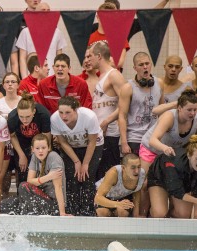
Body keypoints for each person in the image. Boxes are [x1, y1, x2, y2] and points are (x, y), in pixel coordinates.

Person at [139, 90, 197, 216]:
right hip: (152, 150)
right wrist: (164, 148)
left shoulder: (195, 120)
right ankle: (142, 215)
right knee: (143, 184)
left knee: (174, 189)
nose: (192, 113)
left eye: (195, 110)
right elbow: (153, 140)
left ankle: (169, 214)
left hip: (172, 156)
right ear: (179, 108)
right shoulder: (169, 117)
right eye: (189, 110)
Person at [51, 96, 104, 216]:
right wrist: (76, 161)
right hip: (70, 148)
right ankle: (73, 210)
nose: (64, 116)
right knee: (72, 177)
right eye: (61, 112)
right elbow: (62, 142)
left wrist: (85, 163)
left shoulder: (89, 117)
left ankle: (88, 211)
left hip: (93, 146)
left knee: (87, 176)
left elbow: (92, 142)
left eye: (68, 112)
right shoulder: (54, 119)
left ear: (76, 110)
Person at [3, 134, 69, 216]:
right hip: (39, 198)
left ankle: (28, 213)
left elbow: (58, 187)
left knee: (23, 186)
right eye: (37, 148)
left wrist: (62, 212)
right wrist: (48, 176)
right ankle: (26, 214)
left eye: (43, 148)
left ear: (49, 148)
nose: (40, 151)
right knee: (6, 204)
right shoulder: (35, 157)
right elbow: (30, 181)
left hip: (53, 203)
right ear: (32, 149)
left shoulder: (54, 158)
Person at [88, 41, 127, 179]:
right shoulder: (101, 76)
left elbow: (126, 104)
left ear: (99, 56)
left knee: (109, 177)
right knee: (99, 177)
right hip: (101, 134)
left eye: (90, 56)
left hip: (111, 135)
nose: (88, 60)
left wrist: (106, 122)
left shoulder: (114, 75)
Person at [119, 52, 165, 156]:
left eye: (147, 63)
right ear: (135, 68)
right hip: (134, 138)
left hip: (153, 137)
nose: (145, 67)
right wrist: (124, 142)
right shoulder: (128, 88)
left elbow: (163, 111)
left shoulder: (160, 83)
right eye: (141, 65)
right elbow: (122, 116)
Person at [148, 135, 197, 218]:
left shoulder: (192, 164)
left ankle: (172, 211)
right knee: (160, 213)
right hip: (159, 178)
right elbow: (177, 192)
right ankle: (150, 212)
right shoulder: (175, 163)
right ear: (189, 155)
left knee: (183, 215)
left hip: (181, 180)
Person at [8, 92, 51, 186]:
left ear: (34, 112)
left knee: (41, 171)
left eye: (28, 116)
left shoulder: (44, 115)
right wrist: (21, 155)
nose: (24, 120)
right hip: (22, 144)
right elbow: (13, 136)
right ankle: (22, 197)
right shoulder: (12, 117)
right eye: (21, 117)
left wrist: (42, 157)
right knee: (23, 173)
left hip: (40, 143)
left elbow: (46, 140)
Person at [16, 2, 67, 78]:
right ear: (36, 14)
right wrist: (24, 78)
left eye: (48, 10)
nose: (46, 13)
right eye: (43, 10)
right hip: (31, 77)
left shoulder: (57, 32)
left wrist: (58, 77)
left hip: (51, 77)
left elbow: (59, 58)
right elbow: (22, 58)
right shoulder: (25, 32)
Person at [88, 2, 129, 70]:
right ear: (98, 17)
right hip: (95, 79)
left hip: (112, 78)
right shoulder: (90, 38)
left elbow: (119, 63)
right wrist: (110, 60)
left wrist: (96, 61)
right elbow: (88, 63)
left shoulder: (120, 37)